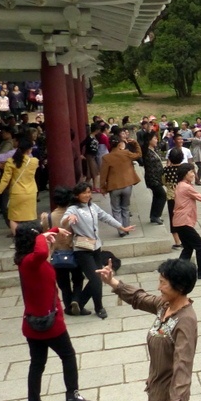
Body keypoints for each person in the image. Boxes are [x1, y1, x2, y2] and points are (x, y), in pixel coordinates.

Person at [98, 258, 198, 401]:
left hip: (167, 400)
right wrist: (113, 282)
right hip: (156, 389)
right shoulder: (165, 306)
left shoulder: (185, 320)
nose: (159, 287)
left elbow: (183, 363)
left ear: (179, 287)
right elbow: (140, 298)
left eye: (163, 283)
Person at [14, 221, 92, 401]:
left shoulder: (23, 261)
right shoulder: (32, 260)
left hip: (32, 324)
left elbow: (40, 250)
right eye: (38, 236)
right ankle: (72, 394)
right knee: (68, 355)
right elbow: (41, 252)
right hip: (51, 323)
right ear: (34, 239)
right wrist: (42, 234)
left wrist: (52, 231)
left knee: (37, 364)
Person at [63, 182, 135, 318]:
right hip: (82, 249)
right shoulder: (73, 209)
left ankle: (78, 303)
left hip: (96, 247)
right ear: (77, 195)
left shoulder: (93, 207)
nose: (87, 195)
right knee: (96, 279)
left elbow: (106, 217)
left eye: (89, 192)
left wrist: (121, 227)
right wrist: (69, 219)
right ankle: (98, 308)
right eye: (84, 193)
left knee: (99, 277)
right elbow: (63, 220)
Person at [41, 186, 84, 314]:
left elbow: (45, 234)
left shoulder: (48, 217)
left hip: (57, 254)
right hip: (73, 251)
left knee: (63, 284)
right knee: (78, 279)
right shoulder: (73, 215)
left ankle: (68, 306)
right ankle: (76, 299)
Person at [0, 136, 38, 236]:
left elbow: (5, 179)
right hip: (31, 192)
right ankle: (30, 239)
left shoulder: (11, 161)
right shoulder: (34, 161)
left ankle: (18, 241)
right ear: (29, 149)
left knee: (14, 219)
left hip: (17, 193)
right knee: (30, 217)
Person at [99, 135, 141, 237]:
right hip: (127, 185)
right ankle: (127, 228)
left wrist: (103, 188)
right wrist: (135, 143)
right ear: (119, 144)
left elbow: (103, 175)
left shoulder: (106, 158)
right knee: (125, 208)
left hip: (114, 187)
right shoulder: (126, 153)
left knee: (116, 209)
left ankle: (121, 230)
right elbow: (138, 154)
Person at [142, 130, 166, 225]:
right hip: (152, 178)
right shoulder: (147, 152)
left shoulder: (153, 150)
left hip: (158, 178)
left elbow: (161, 145)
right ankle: (156, 215)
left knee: (157, 196)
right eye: (155, 138)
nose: (156, 140)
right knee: (162, 195)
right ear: (149, 140)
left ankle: (154, 216)